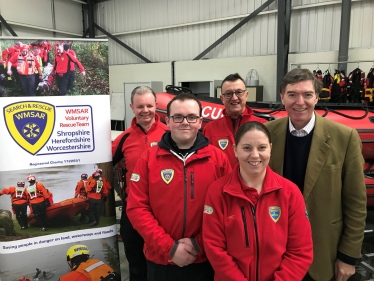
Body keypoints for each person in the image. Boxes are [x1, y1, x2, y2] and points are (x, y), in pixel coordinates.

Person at [265, 68, 367, 281]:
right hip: (276, 252)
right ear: (282, 97)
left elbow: (356, 201)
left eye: (307, 94)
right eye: (292, 94)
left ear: (317, 97)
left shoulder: (345, 137)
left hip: (323, 254)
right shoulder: (267, 133)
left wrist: (348, 256)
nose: (299, 101)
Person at [126, 92, 232, 281]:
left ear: (200, 122)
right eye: (178, 117)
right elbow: (137, 209)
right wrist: (170, 248)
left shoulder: (219, 161)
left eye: (191, 117)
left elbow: (227, 209)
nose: (185, 122)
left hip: (205, 260)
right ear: (168, 121)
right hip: (161, 262)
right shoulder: (148, 159)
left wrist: (198, 244)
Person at [203, 121, 313, 281]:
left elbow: (300, 251)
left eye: (262, 148)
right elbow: (214, 248)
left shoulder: (290, 193)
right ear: (235, 150)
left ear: (270, 148)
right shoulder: (217, 192)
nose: (255, 155)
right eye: (247, 148)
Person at [111, 86, 168, 281]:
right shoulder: (124, 138)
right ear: (132, 108)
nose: (145, 110)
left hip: (163, 210)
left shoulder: (169, 135)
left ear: (156, 106)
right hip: (133, 209)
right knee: (135, 264)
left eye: (150, 105)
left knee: (163, 261)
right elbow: (103, 162)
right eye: (140, 106)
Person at [203, 73, 266, 168]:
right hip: (222, 182)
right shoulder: (210, 129)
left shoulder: (263, 126)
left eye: (239, 92)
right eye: (228, 94)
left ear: (246, 95)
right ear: (222, 98)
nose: (234, 97)